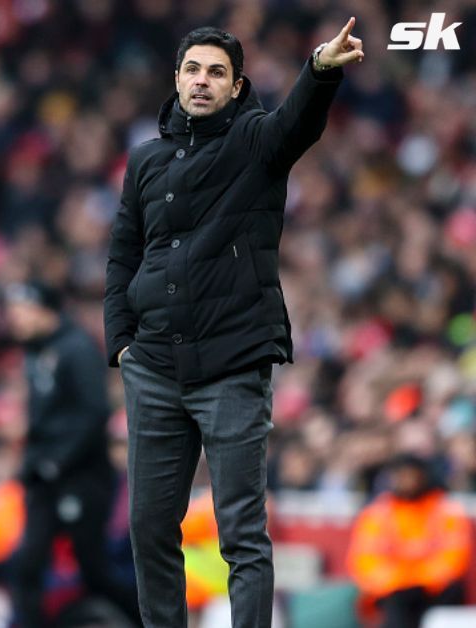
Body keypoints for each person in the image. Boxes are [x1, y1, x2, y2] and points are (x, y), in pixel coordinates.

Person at [103, 19, 363, 628]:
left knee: (241, 530)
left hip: (232, 361)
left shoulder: (255, 142)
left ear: (237, 86)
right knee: (148, 527)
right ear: (175, 79)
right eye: (193, 69)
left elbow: (296, 122)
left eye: (216, 72)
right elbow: (122, 252)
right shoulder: (144, 161)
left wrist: (320, 71)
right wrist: (121, 343)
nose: (202, 81)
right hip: (155, 366)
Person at [6, 283, 142, 627]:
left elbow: (94, 413)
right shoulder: (37, 351)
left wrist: (57, 460)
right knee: (27, 565)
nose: (14, 319)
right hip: (44, 475)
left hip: (80, 477)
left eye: (21, 311)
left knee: (93, 570)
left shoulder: (76, 349)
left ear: (44, 310)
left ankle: (148, 621)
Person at [347, 454, 472, 628]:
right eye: (401, 476)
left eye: (411, 475)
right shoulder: (378, 513)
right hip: (394, 590)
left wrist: (418, 579)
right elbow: (365, 561)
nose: (407, 481)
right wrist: (401, 581)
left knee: (452, 592)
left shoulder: (446, 510)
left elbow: (454, 558)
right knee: (396, 604)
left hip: (434, 589)